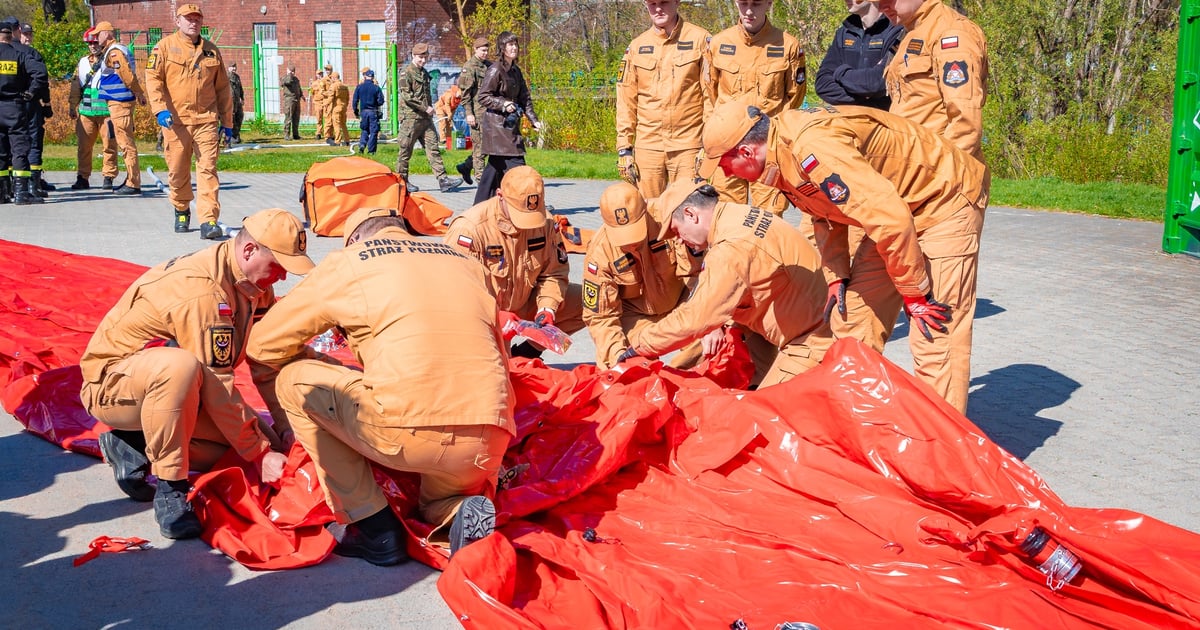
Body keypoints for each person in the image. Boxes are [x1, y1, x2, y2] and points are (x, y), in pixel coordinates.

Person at [246, 206, 514, 565]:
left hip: (404, 426)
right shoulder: (464, 260)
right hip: (487, 433)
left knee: (295, 381)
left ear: (356, 239)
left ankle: (372, 526)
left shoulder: (350, 261)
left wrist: (323, 357)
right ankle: (456, 510)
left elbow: (263, 345)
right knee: (438, 499)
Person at [700, 101, 988, 412]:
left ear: (746, 152)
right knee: (852, 321)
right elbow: (827, 210)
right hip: (892, 213)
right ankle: (854, 420)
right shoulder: (778, 151)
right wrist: (836, 273)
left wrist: (915, 295)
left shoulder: (813, 146)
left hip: (942, 200)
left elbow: (890, 218)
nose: (725, 173)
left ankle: (944, 448)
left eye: (724, 164)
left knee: (933, 331)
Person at [80, 208, 313, 539]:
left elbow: (267, 358)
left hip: (181, 390)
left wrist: (287, 428)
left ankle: (134, 442)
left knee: (247, 452)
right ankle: (171, 487)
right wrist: (260, 454)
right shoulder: (202, 291)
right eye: (278, 266)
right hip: (115, 385)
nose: (283, 277)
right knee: (180, 368)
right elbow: (217, 381)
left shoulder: (254, 283)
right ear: (249, 251)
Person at [617, 180, 832, 386]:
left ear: (691, 214)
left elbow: (695, 318)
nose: (679, 240)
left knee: (764, 415)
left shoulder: (729, 250)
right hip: (805, 312)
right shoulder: (737, 215)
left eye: (676, 231)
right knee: (741, 361)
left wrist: (639, 347)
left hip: (811, 338)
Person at [443, 165, 584, 358]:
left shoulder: (546, 223)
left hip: (525, 301)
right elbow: (454, 291)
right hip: (485, 316)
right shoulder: (470, 229)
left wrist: (547, 308)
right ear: (500, 195)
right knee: (499, 378)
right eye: (519, 213)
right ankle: (503, 355)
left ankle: (527, 354)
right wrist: (494, 316)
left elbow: (554, 273)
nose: (527, 223)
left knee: (590, 302)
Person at [582, 181, 704, 369]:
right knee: (629, 369)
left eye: (635, 232)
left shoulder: (668, 218)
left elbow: (698, 271)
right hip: (636, 318)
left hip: (680, 303)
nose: (631, 244)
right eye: (621, 236)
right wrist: (617, 355)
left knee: (710, 338)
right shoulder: (599, 253)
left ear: (645, 211)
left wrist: (706, 314)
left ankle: (683, 378)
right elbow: (600, 317)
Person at [703, 0, 806, 216]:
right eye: (744, 4)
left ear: (769, 3)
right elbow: (710, 93)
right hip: (728, 147)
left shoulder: (787, 45)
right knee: (727, 214)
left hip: (767, 148)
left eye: (757, 4)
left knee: (768, 217)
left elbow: (794, 97)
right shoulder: (719, 43)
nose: (749, 11)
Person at [145, 3, 234, 240]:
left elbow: (223, 89)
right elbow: (152, 80)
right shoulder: (163, 48)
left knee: (208, 169)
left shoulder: (212, 51)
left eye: (197, 18)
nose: (193, 22)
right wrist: (160, 110)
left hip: (206, 120)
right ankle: (181, 208)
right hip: (175, 121)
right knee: (177, 170)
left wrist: (227, 122)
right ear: (178, 21)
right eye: (188, 18)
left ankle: (208, 220)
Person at [615, 0, 712, 199]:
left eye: (664, 2)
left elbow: (711, 96)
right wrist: (624, 148)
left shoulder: (701, 40)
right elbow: (626, 100)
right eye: (652, 4)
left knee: (688, 209)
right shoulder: (637, 46)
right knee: (647, 212)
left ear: (677, 2)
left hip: (688, 145)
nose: (658, 8)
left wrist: (708, 144)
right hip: (648, 145)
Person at [877, 0, 988, 162]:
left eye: (888, 0)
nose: (882, 7)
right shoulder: (912, 32)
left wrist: (941, 175)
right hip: (913, 167)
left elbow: (965, 124)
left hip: (939, 174)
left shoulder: (950, 32)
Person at [473, 31, 543, 204]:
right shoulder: (495, 69)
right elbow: (483, 96)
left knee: (493, 169)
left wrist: (533, 119)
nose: (514, 48)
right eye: (510, 45)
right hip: (498, 129)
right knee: (519, 168)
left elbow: (524, 98)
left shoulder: (516, 71)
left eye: (515, 44)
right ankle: (526, 202)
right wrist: (503, 104)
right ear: (502, 48)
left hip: (509, 127)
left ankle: (481, 205)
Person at [815, 0, 905, 110]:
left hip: (884, 121)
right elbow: (822, 85)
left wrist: (840, 73)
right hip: (848, 119)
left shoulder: (897, 30)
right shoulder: (844, 32)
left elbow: (879, 82)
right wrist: (868, 97)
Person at [396, 42, 462, 194]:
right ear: (413, 56)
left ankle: (443, 180)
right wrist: (425, 107)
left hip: (425, 120)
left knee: (433, 149)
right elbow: (407, 96)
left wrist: (429, 108)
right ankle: (402, 182)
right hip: (411, 119)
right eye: (420, 57)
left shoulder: (424, 73)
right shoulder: (406, 72)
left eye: (425, 57)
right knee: (405, 151)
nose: (423, 60)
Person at [93, 20, 146, 196]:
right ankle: (131, 179)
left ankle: (133, 182)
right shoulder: (114, 50)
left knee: (125, 143)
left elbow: (126, 75)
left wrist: (139, 92)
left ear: (107, 33)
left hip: (120, 102)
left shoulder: (114, 52)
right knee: (124, 142)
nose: (96, 38)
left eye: (98, 34)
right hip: (118, 102)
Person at [0, 19, 46, 206]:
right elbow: (40, 73)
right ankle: (21, 194)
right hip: (14, 106)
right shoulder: (18, 54)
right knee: (19, 149)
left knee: (1, 151)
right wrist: (30, 92)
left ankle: (2, 194)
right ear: (11, 35)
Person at [68, 27, 119, 191]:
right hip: (86, 112)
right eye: (89, 43)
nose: (93, 46)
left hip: (107, 112)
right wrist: (72, 106)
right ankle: (82, 178)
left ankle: (108, 177)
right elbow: (76, 85)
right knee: (84, 147)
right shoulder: (82, 62)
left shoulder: (111, 59)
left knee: (109, 146)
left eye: (95, 42)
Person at [14, 22, 51, 197]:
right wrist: (44, 100)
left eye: (30, 34)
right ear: (17, 33)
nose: (28, 37)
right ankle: (32, 186)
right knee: (33, 141)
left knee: (15, 142)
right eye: (25, 34)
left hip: (13, 104)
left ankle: (18, 186)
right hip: (29, 102)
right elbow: (42, 79)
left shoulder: (7, 52)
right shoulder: (30, 54)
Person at [454, 37, 490, 186]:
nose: (485, 53)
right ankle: (481, 181)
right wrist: (469, 113)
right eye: (483, 50)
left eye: (487, 50)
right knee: (479, 147)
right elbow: (465, 94)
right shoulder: (469, 67)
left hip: (489, 113)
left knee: (489, 146)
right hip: (476, 113)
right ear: (475, 50)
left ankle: (467, 166)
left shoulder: (489, 66)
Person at [352, 68, 384, 154]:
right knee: (374, 131)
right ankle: (371, 150)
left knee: (365, 129)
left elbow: (355, 100)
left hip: (364, 112)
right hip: (373, 112)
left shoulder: (359, 87)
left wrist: (356, 111)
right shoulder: (376, 88)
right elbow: (381, 101)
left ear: (365, 76)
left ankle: (362, 145)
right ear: (373, 77)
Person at [280, 65, 305, 140]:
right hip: (289, 100)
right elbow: (287, 82)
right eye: (291, 71)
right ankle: (287, 135)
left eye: (293, 71)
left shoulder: (296, 79)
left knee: (296, 118)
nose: (292, 72)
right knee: (288, 118)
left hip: (296, 100)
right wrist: (290, 74)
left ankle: (295, 135)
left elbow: (298, 88)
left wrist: (301, 95)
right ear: (287, 70)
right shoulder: (285, 78)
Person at [433, 83, 461, 147]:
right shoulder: (449, 95)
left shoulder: (458, 98)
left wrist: (451, 116)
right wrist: (449, 114)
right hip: (440, 108)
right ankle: (442, 139)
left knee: (450, 124)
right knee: (443, 123)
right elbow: (447, 105)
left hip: (449, 110)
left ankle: (449, 140)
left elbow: (454, 107)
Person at [326, 71, 350, 146]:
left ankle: (337, 141)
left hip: (336, 107)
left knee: (336, 125)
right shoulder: (345, 86)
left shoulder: (334, 86)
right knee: (343, 124)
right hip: (343, 107)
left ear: (333, 78)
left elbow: (331, 98)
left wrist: (325, 104)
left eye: (331, 78)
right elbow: (347, 98)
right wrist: (345, 105)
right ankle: (347, 140)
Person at [227, 62, 244, 144]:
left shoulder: (237, 77)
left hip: (237, 101)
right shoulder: (226, 76)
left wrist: (242, 98)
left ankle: (236, 134)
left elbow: (240, 88)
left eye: (235, 67)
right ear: (228, 68)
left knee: (240, 116)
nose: (234, 68)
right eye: (232, 67)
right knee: (231, 119)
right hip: (230, 101)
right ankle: (232, 137)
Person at [309, 69, 326, 138]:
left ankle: (328, 133)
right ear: (316, 75)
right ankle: (318, 133)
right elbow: (311, 93)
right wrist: (310, 87)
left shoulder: (325, 82)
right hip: (317, 102)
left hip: (325, 102)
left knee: (327, 118)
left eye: (321, 74)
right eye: (319, 74)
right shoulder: (314, 83)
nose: (320, 75)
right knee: (319, 118)